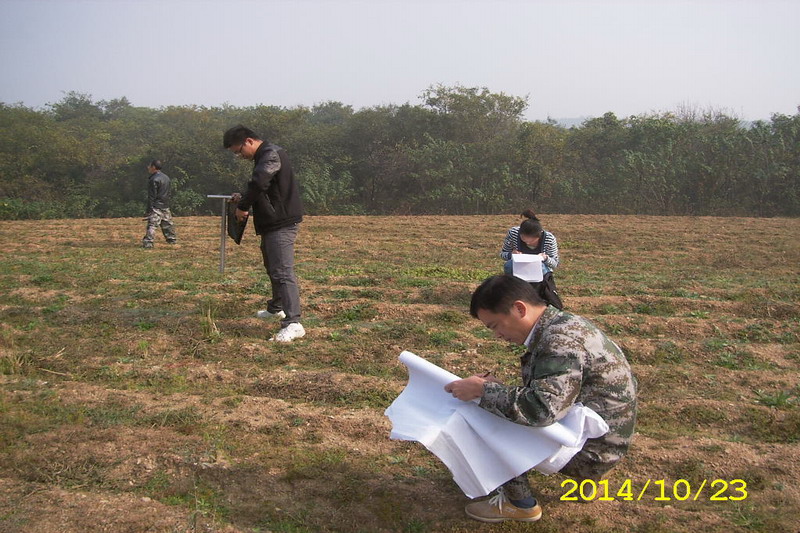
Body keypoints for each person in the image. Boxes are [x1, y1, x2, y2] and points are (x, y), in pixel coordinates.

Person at [444, 274, 637, 523]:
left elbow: (542, 410)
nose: (497, 335)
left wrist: (484, 391)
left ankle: (520, 504)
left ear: (519, 308)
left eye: (495, 326)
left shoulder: (559, 342)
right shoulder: (562, 324)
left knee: (483, 417)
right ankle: (588, 480)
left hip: (594, 450)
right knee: (497, 402)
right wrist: (494, 389)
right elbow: (555, 394)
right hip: (607, 435)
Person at [223, 125, 305, 343]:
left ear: (249, 141)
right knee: (273, 268)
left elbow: (259, 183)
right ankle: (276, 308)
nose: (240, 156)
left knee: (283, 271)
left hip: (281, 222)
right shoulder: (264, 156)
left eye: (239, 151)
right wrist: (243, 197)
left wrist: (243, 206)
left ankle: (293, 323)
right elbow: (264, 188)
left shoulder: (270, 154)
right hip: (271, 222)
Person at [500, 210, 562, 309]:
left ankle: (538, 296)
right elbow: (503, 254)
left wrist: (545, 258)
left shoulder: (549, 239)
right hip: (518, 268)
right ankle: (512, 293)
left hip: (540, 271)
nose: (527, 243)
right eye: (523, 239)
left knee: (541, 267)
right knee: (508, 265)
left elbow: (555, 264)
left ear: (539, 236)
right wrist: (511, 255)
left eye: (531, 241)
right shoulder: (513, 233)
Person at [142, 160, 177, 248]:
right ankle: (172, 240)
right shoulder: (166, 178)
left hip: (156, 206)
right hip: (165, 205)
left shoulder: (153, 179)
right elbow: (168, 193)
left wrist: (149, 209)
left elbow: (152, 196)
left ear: (153, 167)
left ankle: (148, 243)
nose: (148, 168)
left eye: (149, 166)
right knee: (167, 224)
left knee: (152, 225)